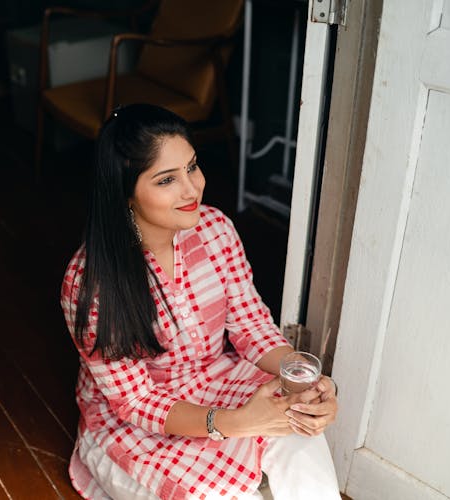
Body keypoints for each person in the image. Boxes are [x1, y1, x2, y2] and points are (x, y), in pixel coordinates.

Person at [60, 104, 341, 499]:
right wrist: (235, 423)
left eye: (192, 167)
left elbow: (251, 325)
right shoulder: (91, 282)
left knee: (297, 424)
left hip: (216, 378)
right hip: (136, 426)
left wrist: (307, 383)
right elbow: (136, 401)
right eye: (166, 180)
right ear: (125, 193)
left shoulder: (216, 229)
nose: (192, 188)